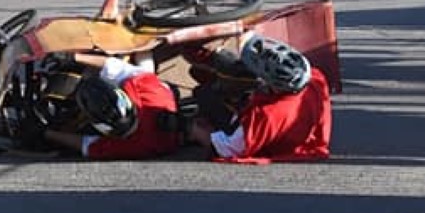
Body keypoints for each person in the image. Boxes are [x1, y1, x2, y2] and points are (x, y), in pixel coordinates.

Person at [189, 36, 331, 163]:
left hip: (267, 135)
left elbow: (225, 149)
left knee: (204, 95)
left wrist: (197, 131)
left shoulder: (267, 116)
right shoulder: (315, 77)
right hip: (290, 125)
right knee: (228, 68)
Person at [43, 54, 185, 161]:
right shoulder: (143, 86)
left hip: (158, 124)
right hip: (162, 93)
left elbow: (86, 144)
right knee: (141, 54)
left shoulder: (136, 146)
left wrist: (47, 134)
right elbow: (113, 65)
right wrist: (73, 57)